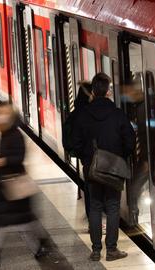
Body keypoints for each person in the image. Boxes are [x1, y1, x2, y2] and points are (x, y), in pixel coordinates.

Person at [72, 73, 135, 262]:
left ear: (93, 91)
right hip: (113, 169)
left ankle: (96, 250)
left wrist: (87, 159)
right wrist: (120, 157)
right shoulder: (117, 114)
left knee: (95, 207)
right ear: (108, 91)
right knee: (113, 207)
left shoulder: (83, 115)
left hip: (92, 169)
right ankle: (112, 249)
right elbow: (130, 142)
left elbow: (75, 142)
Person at [0, 102, 48, 268]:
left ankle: (37, 247)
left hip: (14, 185)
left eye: (3, 113)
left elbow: (18, 158)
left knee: (15, 222)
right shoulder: (6, 132)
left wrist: (0, 161)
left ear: (10, 117)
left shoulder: (15, 135)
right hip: (5, 185)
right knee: (8, 221)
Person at [62, 81, 92, 219]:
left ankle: (93, 222)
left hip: (86, 159)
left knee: (90, 189)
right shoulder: (90, 113)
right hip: (95, 157)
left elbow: (76, 139)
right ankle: (95, 220)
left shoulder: (77, 113)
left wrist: (82, 153)